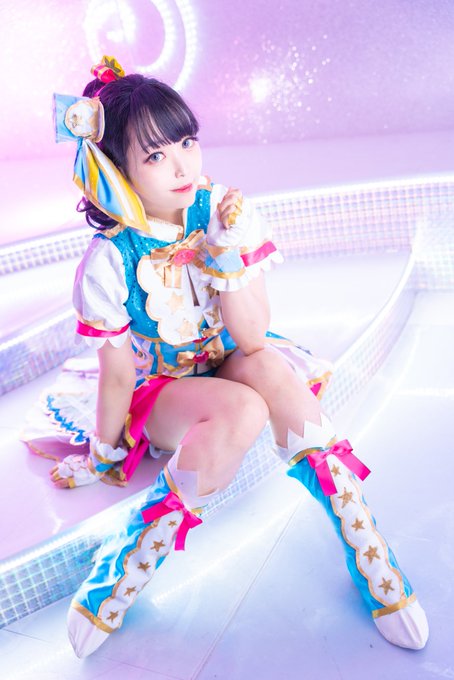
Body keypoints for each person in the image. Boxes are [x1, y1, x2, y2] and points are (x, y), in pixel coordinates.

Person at [50, 56, 428, 658]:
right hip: (165, 389)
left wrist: (225, 253)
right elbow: (118, 373)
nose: (183, 166)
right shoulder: (109, 258)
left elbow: (252, 340)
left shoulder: (224, 210)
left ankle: (367, 549)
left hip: (232, 356)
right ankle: (128, 560)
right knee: (242, 411)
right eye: (156, 156)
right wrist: (104, 452)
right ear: (116, 169)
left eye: (187, 142)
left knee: (270, 369)